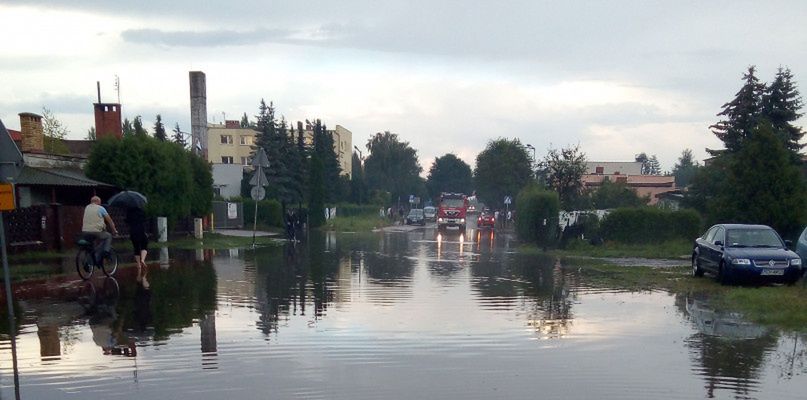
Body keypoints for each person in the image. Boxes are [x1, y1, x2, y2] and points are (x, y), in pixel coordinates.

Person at [82, 196, 118, 263]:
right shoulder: (101, 208)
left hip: (85, 231)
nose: (100, 204)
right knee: (108, 236)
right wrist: (114, 230)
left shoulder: (87, 208)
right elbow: (110, 221)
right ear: (98, 202)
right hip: (96, 231)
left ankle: (90, 262)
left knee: (91, 247)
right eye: (100, 202)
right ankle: (106, 252)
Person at [126, 207, 148, 274]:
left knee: (136, 247)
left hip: (133, 232)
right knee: (144, 245)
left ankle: (138, 264)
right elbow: (145, 219)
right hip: (141, 231)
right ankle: (142, 260)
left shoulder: (129, 212)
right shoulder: (141, 211)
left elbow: (127, 221)